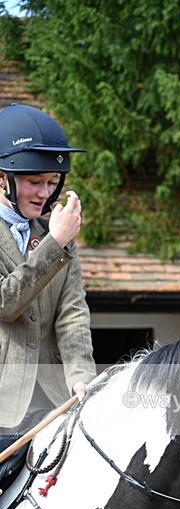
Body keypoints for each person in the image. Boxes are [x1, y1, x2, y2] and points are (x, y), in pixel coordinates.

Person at [0, 103, 96, 445]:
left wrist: (82, 377)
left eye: (52, 182)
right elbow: (7, 303)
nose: (45, 194)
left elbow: (72, 315)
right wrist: (55, 241)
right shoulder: (58, 236)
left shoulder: (57, 234)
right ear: (2, 178)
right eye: (35, 182)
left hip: (55, 402)